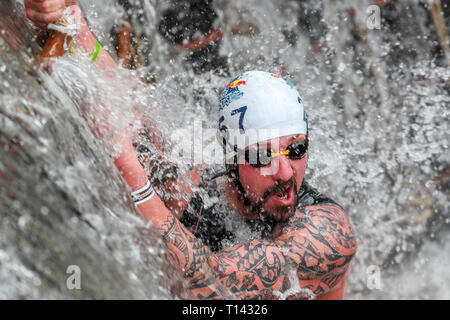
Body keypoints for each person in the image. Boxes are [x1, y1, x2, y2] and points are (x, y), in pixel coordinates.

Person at [25, 0, 357, 299]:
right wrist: (70, 20)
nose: (285, 173)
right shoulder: (201, 191)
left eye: (296, 150)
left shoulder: (325, 231)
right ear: (232, 157)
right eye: (260, 156)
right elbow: (129, 118)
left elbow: (211, 287)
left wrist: (130, 172)